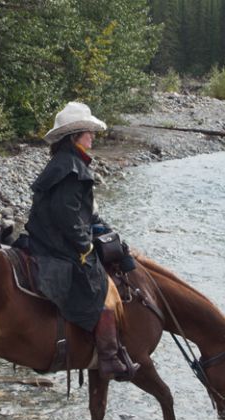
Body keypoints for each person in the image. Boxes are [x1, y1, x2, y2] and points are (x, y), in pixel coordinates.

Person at [24, 101, 139, 381]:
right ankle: (109, 357)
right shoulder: (72, 167)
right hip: (56, 243)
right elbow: (68, 214)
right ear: (75, 136)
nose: (93, 136)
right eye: (88, 131)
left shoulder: (63, 163)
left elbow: (75, 213)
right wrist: (85, 246)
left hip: (42, 236)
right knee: (99, 284)